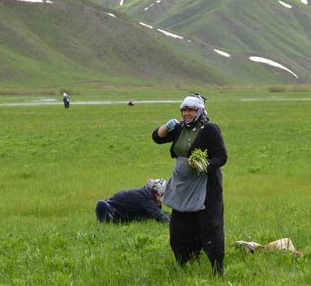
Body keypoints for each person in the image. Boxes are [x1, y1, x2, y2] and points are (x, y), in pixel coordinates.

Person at [152, 93, 228, 275]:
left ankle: (217, 267)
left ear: (200, 111)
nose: (187, 113)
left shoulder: (209, 129)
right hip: (182, 184)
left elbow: (222, 156)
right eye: (184, 109)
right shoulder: (179, 129)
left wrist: (205, 165)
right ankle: (185, 260)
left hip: (205, 185)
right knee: (180, 225)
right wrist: (165, 127)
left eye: (191, 109)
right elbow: (157, 138)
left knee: (210, 225)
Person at [95, 179, 170, 224]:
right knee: (101, 204)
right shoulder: (146, 197)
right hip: (112, 209)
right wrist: (173, 224)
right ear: (155, 192)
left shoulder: (149, 197)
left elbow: (159, 213)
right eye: (161, 195)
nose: (161, 200)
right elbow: (159, 215)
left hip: (120, 214)